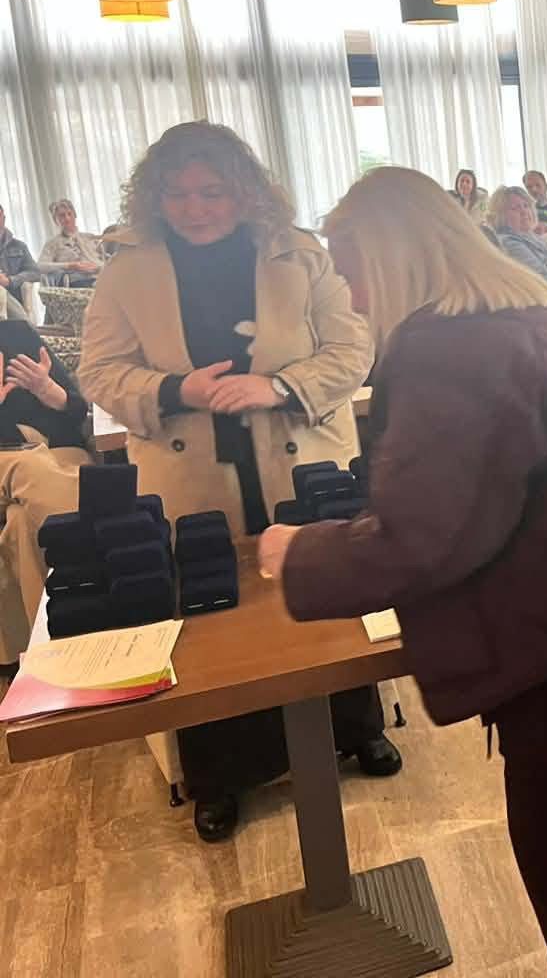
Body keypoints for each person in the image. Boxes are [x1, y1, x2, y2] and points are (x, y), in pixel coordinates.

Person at [256, 167, 547, 978]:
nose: (354, 299)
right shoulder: (536, 309)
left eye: (353, 274)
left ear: (389, 256)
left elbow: (421, 535)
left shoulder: (447, 349)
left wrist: (300, 555)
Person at [78, 121, 400, 843]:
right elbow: (98, 371)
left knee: (325, 587)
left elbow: (354, 346)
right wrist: (175, 388)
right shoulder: (126, 270)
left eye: (213, 191)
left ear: (245, 190)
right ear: (154, 196)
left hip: (299, 452)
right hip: (190, 467)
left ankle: (357, 728)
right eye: (178, 193)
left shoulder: (300, 253)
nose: (195, 208)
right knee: (209, 617)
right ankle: (219, 774)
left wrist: (279, 385)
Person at [0, 318, 91, 664]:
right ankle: (100, 601)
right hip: (13, 462)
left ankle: (52, 650)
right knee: (30, 468)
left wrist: (49, 391)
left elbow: (78, 410)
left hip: (61, 457)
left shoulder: (16, 334)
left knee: (22, 524)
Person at [488, 186, 547, 304]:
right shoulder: (507, 243)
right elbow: (544, 280)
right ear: (500, 215)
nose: (524, 211)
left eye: (526, 205)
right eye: (515, 208)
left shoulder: (532, 235)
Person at [38, 198, 107, 288]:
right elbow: (40, 266)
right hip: (78, 282)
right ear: (55, 220)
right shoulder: (52, 243)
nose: (67, 218)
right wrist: (69, 266)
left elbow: (105, 260)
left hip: (102, 277)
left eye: (70, 214)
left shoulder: (90, 237)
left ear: (75, 215)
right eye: (62, 216)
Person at [0, 204, 43, 302]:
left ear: (4, 218)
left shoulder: (19, 246)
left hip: (13, 296)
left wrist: (10, 281)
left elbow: (35, 273)